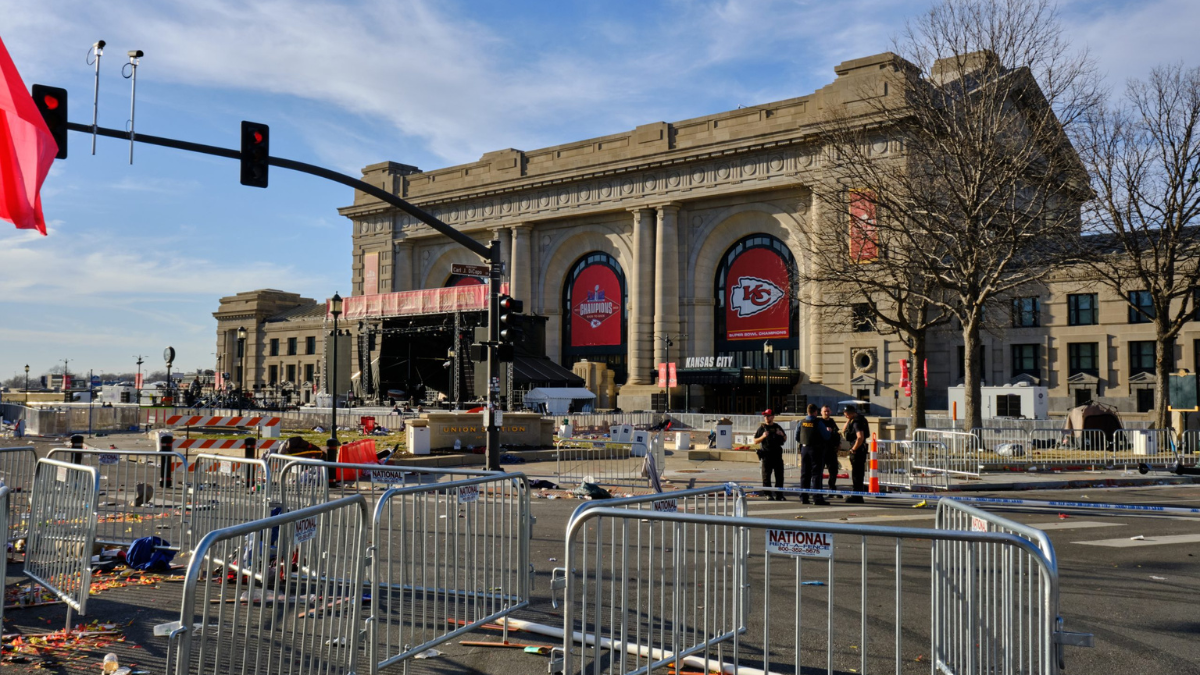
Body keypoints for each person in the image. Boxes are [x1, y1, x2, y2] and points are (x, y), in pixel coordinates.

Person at [796, 404, 829, 505]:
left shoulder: (801, 422)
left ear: (807, 411)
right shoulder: (818, 422)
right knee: (816, 474)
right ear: (816, 412)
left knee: (804, 474)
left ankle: (803, 497)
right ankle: (817, 497)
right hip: (816, 450)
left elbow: (797, 437)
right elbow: (826, 436)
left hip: (804, 449)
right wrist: (829, 432)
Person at [753, 409, 788, 500]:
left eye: (768, 416)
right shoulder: (762, 428)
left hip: (777, 454)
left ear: (773, 416)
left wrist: (781, 434)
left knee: (779, 476)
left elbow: (785, 438)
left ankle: (779, 494)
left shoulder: (777, 427)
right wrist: (763, 436)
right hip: (767, 455)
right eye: (765, 416)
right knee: (766, 476)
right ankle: (767, 493)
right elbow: (755, 441)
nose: (766, 418)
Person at [842, 405, 871, 503]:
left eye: (846, 415)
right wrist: (849, 420)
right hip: (861, 449)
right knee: (858, 473)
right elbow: (843, 430)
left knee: (856, 474)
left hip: (857, 450)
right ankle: (858, 494)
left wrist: (853, 449)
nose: (845, 416)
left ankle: (857, 496)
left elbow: (860, 437)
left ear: (851, 413)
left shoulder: (856, 423)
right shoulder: (860, 419)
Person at [818, 405, 841, 493]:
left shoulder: (832, 421)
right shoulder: (819, 422)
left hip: (831, 450)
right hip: (822, 450)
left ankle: (832, 488)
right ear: (821, 412)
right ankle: (819, 488)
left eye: (828, 411)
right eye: (825, 411)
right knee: (819, 470)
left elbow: (837, 433)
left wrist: (838, 444)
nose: (827, 413)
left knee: (834, 470)